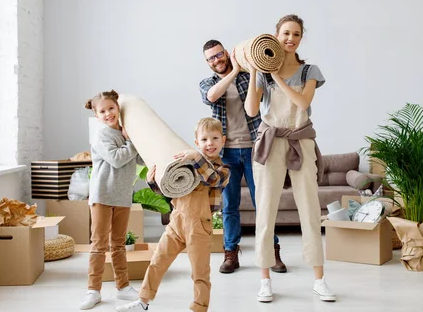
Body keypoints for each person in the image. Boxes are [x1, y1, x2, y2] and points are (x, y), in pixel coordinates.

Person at [244, 15, 336, 303]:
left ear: (301, 37)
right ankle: (265, 279)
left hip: (300, 140)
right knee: (266, 208)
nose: (290, 38)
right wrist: (256, 74)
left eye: (296, 34)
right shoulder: (263, 71)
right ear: (276, 34)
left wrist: (276, 79)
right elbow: (251, 110)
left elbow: (303, 103)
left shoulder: (310, 70)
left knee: (309, 207)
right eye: (285, 33)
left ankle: (319, 280)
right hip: (270, 141)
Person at [116, 117, 231, 312]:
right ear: (197, 142)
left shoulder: (222, 169)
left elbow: (212, 179)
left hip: (199, 226)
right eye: (204, 140)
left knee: (200, 272)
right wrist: (154, 182)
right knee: (157, 261)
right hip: (176, 221)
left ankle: (199, 308)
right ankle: (143, 301)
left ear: (223, 140)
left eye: (214, 138)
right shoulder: (185, 163)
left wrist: (195, 157)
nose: (209, 143)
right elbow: (170, 192)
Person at [200, 40, 286, 273]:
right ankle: (231, 253)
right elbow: (210, 97)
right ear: (207, 62)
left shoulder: (249, 76)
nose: (216, 60)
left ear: (227, 53)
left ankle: (271, 251)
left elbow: (270, 86)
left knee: (263, 202)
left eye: (219, 55)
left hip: (255, 148)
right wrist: (234, 71)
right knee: (229, 205)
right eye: (211, 58)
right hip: (226, 152)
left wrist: (245, 67)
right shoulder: (208, 83)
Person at [80, 90, 144, 310]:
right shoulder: (102, 136)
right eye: (102, 111)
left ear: (118, 108)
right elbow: (117, 159)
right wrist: (132, 141)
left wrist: (135, 138)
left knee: (118, 244)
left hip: (123, 196)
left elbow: (140, 159)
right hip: (102, 196)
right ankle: (93, 290)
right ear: (97, 116)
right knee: (99, 245)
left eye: (111, 108)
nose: (108, 114)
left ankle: (123, 287)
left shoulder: (126, 133)